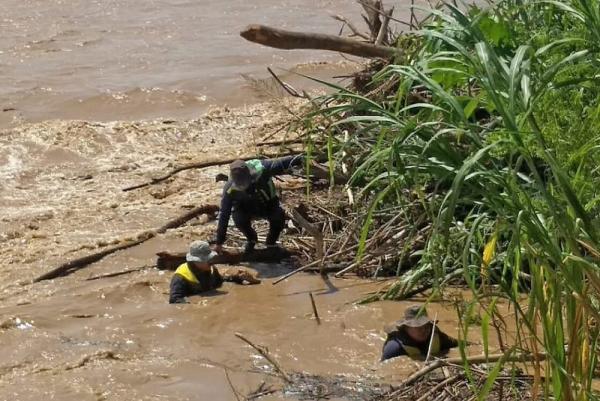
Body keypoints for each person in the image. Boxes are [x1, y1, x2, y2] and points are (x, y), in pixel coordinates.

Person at [214, 155, 304, 254]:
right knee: (239, 220)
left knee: (278, 218)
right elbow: (224, 215)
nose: (243, 187)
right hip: (245, 207)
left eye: (244, 183)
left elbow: (285, 162)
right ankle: (251, 239)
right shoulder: (229, 189)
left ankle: (271, 243)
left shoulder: (263, 169)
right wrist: (219, 242)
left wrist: (303, 159)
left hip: (268, 204)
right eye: (240, 185)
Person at [169, 240, 259, 304]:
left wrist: (240, 278)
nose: (211, 261)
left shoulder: (211, 269)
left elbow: (221, 281)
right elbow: (175, 300)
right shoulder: (180, 277)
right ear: (195, 261)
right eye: (207, 259)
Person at [381, 305, 458, 361]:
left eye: (426, 326)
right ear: (406, 327)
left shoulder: (437, 336)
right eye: (419, 327)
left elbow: (462, 345)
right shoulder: (394, 348)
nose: (424, 330)